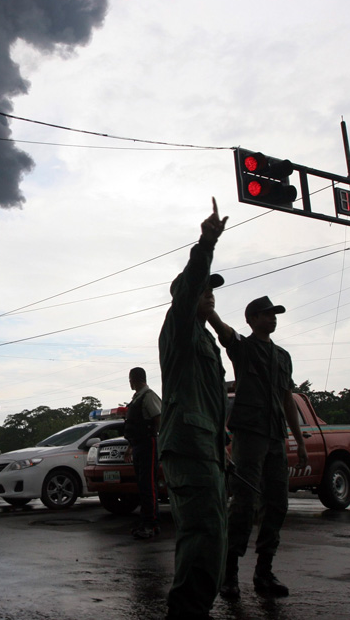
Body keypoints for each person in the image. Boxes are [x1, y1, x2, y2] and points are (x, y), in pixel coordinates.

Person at [157, 198, 229, 620]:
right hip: (188, 447)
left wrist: (224, 447)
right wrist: (206, 243)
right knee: (203, 534)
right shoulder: (180, 328)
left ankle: (193, 608)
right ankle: (186, 612)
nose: (210, 295)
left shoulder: (207, 341)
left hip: (207, 450)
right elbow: (186, 294)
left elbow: (213, 403)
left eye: (213, 290)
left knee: (211, 534)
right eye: (204, 290)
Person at [210, 296, 309, 599]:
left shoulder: (283, 357)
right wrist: (209, 310)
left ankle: (263, 573)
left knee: (277, 504)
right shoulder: (244, 348)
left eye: (275, 314)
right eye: (266, 315)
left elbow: (287, 401)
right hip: (250, 435)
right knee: (244, 503)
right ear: (251, 320)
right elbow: (224, 333)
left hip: (276, 437)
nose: (272, 318)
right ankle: (229, 575)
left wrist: (300, 441)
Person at [124, 367, 162, 539]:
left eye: (130, 379)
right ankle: (145, 521)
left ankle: (151, 524)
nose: (129, 382)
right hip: (138, 445)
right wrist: (130, 448)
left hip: (148, 443)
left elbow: (159, 419)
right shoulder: (137, 398)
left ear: (135, 379)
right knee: (142, 484)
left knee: (148, 484)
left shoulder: (148, 396)